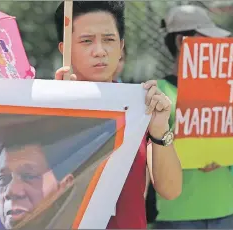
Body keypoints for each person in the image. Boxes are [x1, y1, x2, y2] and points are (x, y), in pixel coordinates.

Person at [54, 1, 182, 229]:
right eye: (86, 41)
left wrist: (160, 129)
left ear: (121, 46)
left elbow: (171, 190)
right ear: (65, 49)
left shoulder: (139, 106)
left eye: (109, 40)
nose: (100, 51)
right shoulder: (44, 108)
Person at [150, 5, 233, 229]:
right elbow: (148, 155)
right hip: (176, 215)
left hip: (226, 211)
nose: (214, 46)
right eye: (205, 39)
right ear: (181, 42)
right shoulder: (156, 93)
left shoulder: (230, 91)